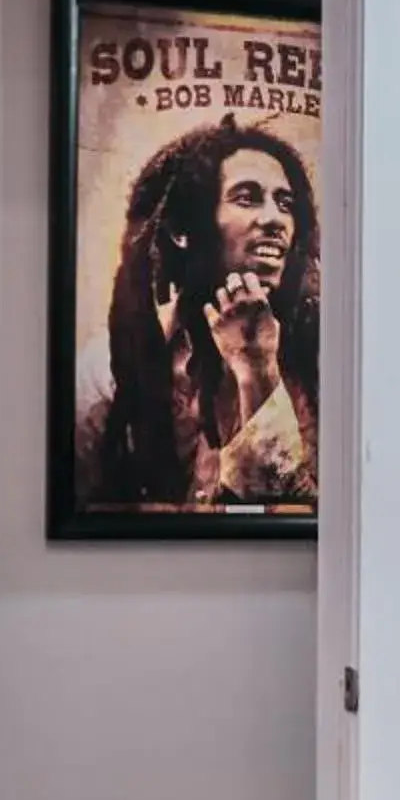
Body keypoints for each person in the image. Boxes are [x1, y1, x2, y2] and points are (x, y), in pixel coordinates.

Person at [80, 116, 321, 511]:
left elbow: (297, 513)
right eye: (246, 197)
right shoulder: (108, 367)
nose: (276, 220)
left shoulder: (316, 360)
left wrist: (258, 370)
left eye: (285, 203)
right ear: (182, 229)